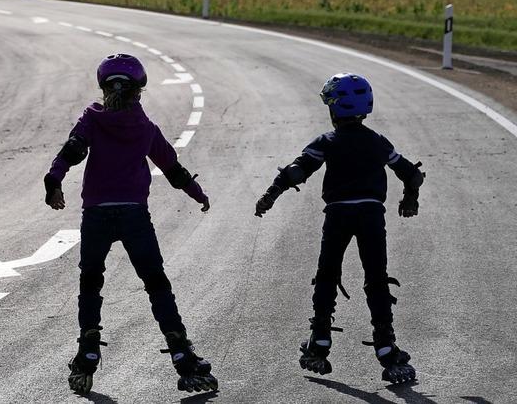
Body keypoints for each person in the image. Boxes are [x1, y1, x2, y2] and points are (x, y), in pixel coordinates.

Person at [44, 54, 217, 395]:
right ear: (140, 91)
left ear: (103, 88)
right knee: (156, 284)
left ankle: (87, 354)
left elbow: (72, 151)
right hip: (134, 215)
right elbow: (173, 169)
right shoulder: (146, 128)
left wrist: (54, 180)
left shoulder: (92, 120)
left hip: (96, 215)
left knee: (91, 283)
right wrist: (198, 195)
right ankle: (183, 358)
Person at [255, 73, 424, 384]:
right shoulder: (377, 141)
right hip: (372, 215)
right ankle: (386, 347)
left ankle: (320, 339)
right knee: (376, 278)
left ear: (333, 108)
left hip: (338, 215)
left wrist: (270, 196)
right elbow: (411, 175)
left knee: (328, 274)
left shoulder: (327, 141)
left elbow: (296, 170)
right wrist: (409, 199)